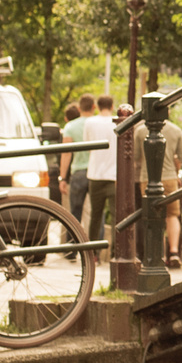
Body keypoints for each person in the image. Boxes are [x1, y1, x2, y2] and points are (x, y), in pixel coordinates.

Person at [130, 114, 182, 269]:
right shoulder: (176, 130)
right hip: (170, 178)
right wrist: (174, 163)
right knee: (172, 215)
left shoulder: (140, 131)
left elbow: (135, 156)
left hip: (147, 178)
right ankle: (174, 252)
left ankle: (158, 255)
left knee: (153, 216)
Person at [84, 94, 118, 250]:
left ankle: (93, 252)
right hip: (114, 175)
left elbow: (87, 145)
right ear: (112, 106)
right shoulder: (117, 122)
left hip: (95, 174)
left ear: (97, 106)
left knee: (95, 216)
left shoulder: (90, 122)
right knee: (116, 216)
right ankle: (115, 252)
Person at [59, 94, 96, 226]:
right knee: (96, 214)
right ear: (94, 107)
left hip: (78, 172)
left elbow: (66, 153)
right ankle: (96, 240)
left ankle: (74, 239)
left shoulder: (70, 126)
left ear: (79, 108)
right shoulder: (98, 124)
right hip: (96, 172)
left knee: (74, 215)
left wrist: (63, 178)